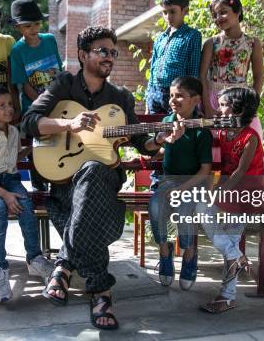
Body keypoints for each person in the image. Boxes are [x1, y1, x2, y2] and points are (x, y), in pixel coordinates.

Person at [21, 26, 184, 330]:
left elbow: (140, 143)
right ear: (83, 55)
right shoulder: (63, 85)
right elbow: (30, 121)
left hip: (105, 182)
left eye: (113, 51)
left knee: (95, 169)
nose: (110, 56)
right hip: (65, 181)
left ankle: (65, 264)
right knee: (90, 207)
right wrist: (68, 124)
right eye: (102, 51)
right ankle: (101, 292)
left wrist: (160, 140)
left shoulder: (120, 97)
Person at [0, 85, 54, 303]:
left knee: (25, 204)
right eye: (2, 106)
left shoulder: (14, 131)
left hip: (12, 180)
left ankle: (34, 258)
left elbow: (15, 156)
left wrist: (35, 148)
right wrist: (4, 195)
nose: (9, 109)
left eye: (10, 104)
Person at [199, 87, 264, 314]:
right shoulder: (221, 131)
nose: (220, 109)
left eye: (225, 105)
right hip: (226, 190)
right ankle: (237, 257)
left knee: (232, 238)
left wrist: (218, 192)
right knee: (202, 209)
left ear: (240, 109)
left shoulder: (250, 137)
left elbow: (240, 172)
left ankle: (227, 296)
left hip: (245, 193)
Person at [148, 76, 212, 291]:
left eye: (179, 96)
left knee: (185, 209)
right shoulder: (167, 122)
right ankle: (164, 253)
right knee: (156, 206)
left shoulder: (201, 130)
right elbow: (164, 150)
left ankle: (189, 254)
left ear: (195, 100)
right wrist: (159, 148)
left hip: (191, 183)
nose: (173, 100)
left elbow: (205, 170)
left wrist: (180, 190)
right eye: (171, 96)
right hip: (167, 181)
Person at [9, 0, 63, 191]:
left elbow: (59, 73)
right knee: (37, 145)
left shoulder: (49, 40)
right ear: (18, 27)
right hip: (34, 107)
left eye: (37, 23)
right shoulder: (17, 51)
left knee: (60, 140)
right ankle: (38, 183)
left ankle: (59, 180)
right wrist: (43, 104)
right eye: (28, 25)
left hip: (57, 102)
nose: (34, 28)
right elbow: (24, 86)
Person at [200, 0, 264, 146]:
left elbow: (259, 77)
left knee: (245, 143)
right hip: (215, 101)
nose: (218, 18)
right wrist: (208, 108)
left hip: (241, 102)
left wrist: (252, 105)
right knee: (215, 148)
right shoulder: (211, 43)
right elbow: (201, 77)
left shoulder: (252, 43)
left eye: (223, 12)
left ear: (237, 11)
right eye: (215, 15)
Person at [145, 0, 202, 115]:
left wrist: (193, 102)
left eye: (172, 12)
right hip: (154, 94)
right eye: (165, 12)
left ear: (185, 11)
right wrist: (148, 97)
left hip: (177, 95)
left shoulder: (192, 36)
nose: (168, 16)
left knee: (176, 130)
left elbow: (193, 71)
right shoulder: (160, 38)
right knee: (155, 132)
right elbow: (153, 67)